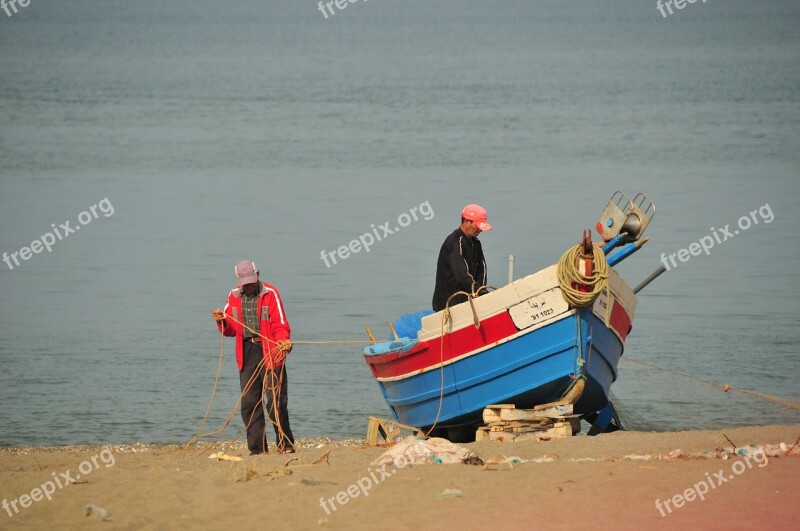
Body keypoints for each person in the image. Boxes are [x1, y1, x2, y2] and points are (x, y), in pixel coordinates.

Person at [211, 260, 295, 455]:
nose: (249, 285)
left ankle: (285, 444)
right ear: (238, 280)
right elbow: (230, 330)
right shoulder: (233, 296)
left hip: (271, 349)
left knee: (275, 402)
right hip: (246, 351)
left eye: (251, 281)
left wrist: (284, 341)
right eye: (245, 282)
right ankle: (258, 448)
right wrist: (221, 321)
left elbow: (280, 323)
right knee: (249, 402)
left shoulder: (270, 293)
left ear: (257, 275)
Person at [432, 204, 492, 312]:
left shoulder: (476, 243)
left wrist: (481, 291)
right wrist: (477, 291)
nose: (480, 230)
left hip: (468, 301)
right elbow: (462, 276)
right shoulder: (455, 243)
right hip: (448, 305)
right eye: (477, 226)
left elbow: (482, 270)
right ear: (466, 221)